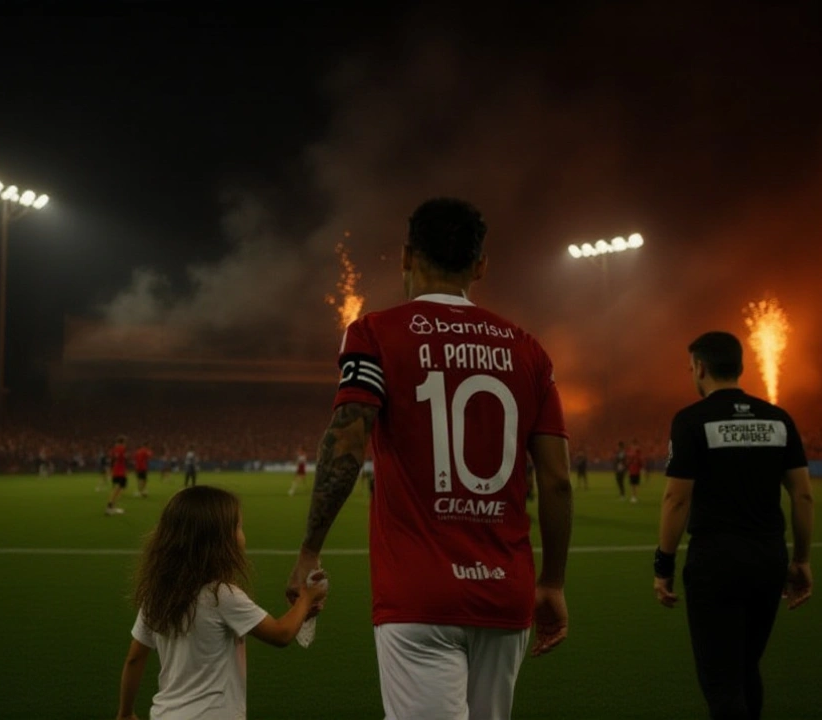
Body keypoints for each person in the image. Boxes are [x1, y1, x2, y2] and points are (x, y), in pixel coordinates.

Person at [287, 197, 572, 719]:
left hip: (417, 593)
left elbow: (348, 442)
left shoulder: (374, 334)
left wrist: (310, 550)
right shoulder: (529, 350)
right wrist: (551, 583)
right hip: (505, 592)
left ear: (405, 255)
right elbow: (556, 482)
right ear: (481, 265)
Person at [654, 331, 814, 720]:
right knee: (746, 668)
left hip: (716, 562)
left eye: (691, 367)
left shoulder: (691, 420)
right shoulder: (779, 418)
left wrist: (663, 566)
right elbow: (803, 495)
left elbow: (677, 498)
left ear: (701, 367)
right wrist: (801, 561)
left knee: (721, 681)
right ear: (740, 366)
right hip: (768, 559)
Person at [114, 485, 328, 720]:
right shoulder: (221, 595)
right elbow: (281, 634)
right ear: (217, 541)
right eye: (238, 527)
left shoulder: (157, 595)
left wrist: (125, 712)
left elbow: (135, 658)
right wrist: (306, 598)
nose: (242, 533)